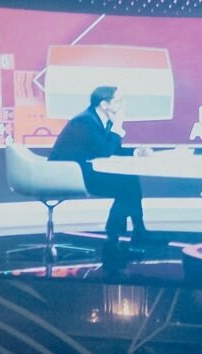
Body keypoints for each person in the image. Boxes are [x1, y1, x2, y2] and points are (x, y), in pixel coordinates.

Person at [49, 86, 159, 262]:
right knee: (126, 186)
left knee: (129, 180)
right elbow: (104, 151)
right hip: (67, 174)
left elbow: (111, 149)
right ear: (104, 104)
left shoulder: (98, 119)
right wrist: (117, 127)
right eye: (118, 101)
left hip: (83, 171)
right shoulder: (85, 121)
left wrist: (137, 152)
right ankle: (118, 236)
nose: (122, 105)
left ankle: (132, 232)